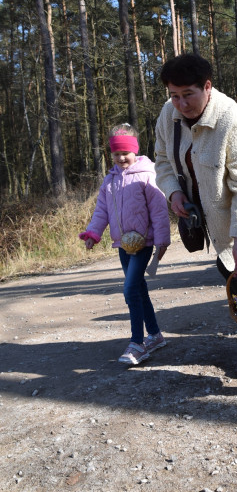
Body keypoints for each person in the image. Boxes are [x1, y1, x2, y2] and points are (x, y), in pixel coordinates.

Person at [154, 54, 237, 371]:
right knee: (233, 272)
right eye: (173, 95)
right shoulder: (168, 115)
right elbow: (163, 161)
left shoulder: (234, 122)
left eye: (188, 95)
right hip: (202, 211)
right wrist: (174, 192)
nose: (180, 104)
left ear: (207, 87)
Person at [80, 123, 170, 365]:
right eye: (116, 153)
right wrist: (93, 234)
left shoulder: (147, 175)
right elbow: (101, 211)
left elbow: (159, 211)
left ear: (135, 150)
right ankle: (155, 335)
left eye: (125, 153)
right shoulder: (109, 181)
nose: (121, 158)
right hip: (122, 244)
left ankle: (137, 343)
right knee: (139, 289)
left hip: (143, 243)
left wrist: (162, 240)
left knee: (130, 290)